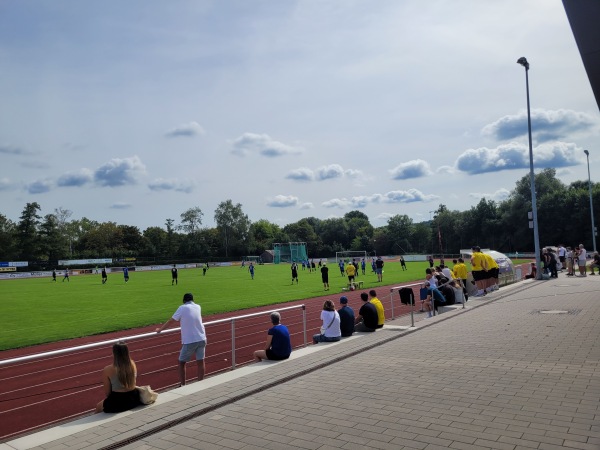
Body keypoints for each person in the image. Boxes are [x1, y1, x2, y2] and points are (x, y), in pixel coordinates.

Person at [156, 293, 207, 386]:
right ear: (193, 299)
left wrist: (160, 329)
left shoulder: (182, 308)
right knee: (200, 361)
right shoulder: (198, 306)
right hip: (202, 338)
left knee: (181, 362)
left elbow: (172, 320)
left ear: (184, 300)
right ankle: (201, 383)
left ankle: (183, 385)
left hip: (190, 340)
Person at [95, 342, 141, 413]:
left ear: (114, 354)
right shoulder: (132, 364)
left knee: (98, 407)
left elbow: (108, 393)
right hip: (134, 397)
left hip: (118, 401)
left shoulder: (108, 369)